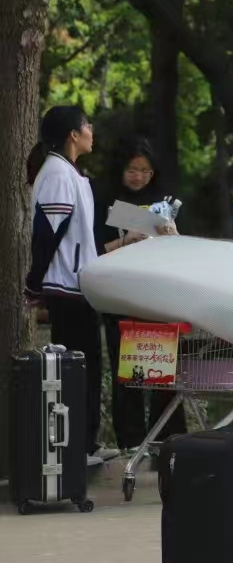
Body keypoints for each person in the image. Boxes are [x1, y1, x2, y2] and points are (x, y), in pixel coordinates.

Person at [24, 106, 118, 465]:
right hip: (67, 287)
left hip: (80, 287)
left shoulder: (69, 173)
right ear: (72, 135)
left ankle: (86, 445)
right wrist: (36, 283)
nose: (92, 129)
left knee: (89, 365)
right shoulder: (57, 174)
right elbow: (48, 233)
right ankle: (76, 448)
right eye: (86, 125)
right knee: (77, 370)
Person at [94, 136, 184, 453]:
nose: (139, 177)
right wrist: (127, 240)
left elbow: (176, 248)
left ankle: (165, 440)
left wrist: (171, 235)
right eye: (133, 169)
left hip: (155, 295)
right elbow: (96, 249)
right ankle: (131, 442)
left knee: (160, 369)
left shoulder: (161, 199)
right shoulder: (104, 198)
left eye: (146, 171)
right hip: (120, 295)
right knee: (128, 373)